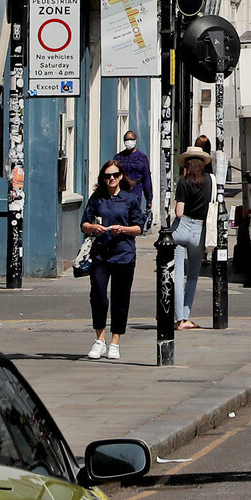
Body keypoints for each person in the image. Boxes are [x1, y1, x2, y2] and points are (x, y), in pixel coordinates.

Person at [80, 160, 145, 360]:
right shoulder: (97, 199)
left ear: (121, 176)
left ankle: (115, 341)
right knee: (98, 295)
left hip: (124, 254)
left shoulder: (130, 199)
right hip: (101, 253)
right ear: (102, 178)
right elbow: (84, 223)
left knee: (120, 298)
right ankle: (99, 340)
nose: (111, 179)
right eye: (107, 176)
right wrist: (93, 228)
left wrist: (122, 229)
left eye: (115, 175)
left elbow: (139, 227)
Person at [172, 146, 213, 329]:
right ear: (202, 164)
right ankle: (186, 317)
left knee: (178, 276)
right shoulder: (210, 182)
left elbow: (179, 212)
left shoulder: (182, 182)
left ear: (187, 164)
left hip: (182, 228)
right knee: (193, 276)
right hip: (199, 229)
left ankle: (179, 319)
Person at [114, 129, 152, 205]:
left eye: (131, 139)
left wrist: (149, 199)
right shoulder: (118, 158)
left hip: (136, 191)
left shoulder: (142, 158)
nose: (129, 142)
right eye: (126, 140)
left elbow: (146, 178)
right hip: (120, 192)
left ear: (135, 140)